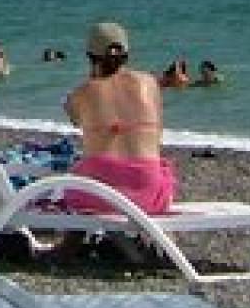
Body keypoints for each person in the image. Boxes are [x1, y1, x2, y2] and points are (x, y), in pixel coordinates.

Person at [62, 21, 176, 216]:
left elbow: (76, 119)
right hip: (149, 196)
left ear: (90, 56)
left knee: (77, 177)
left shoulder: (82, 93)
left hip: (97, 197)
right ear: (126, 54)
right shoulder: (150, 83)